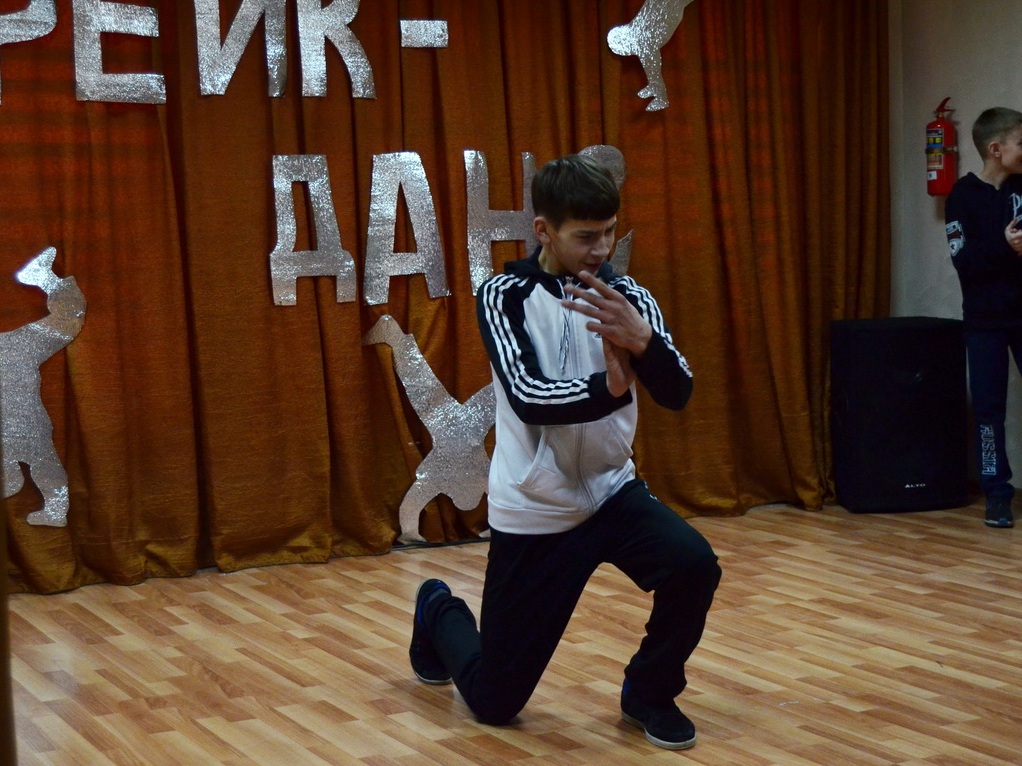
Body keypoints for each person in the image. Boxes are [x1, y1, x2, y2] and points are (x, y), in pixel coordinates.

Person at [409, 154, 721, 750]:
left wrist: (644, 342)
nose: (601, 248)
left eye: (610, 231)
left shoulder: (629, 296)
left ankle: (649, 693)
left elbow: (678, 391)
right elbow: (528, 397)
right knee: (495, 703)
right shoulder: (504, 294)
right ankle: (436, 608)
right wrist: (610, 388)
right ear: (543, 230)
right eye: (585, 235)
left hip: (611, 493)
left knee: (693, 564)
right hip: (536, 508)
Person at [944, 106, 1022, 528]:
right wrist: (1004, 246)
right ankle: (997, 495)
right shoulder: (962, 195)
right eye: (1021, 143)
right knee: (989, 410)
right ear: (996, 149)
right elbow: (965, 262)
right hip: (984, 320)